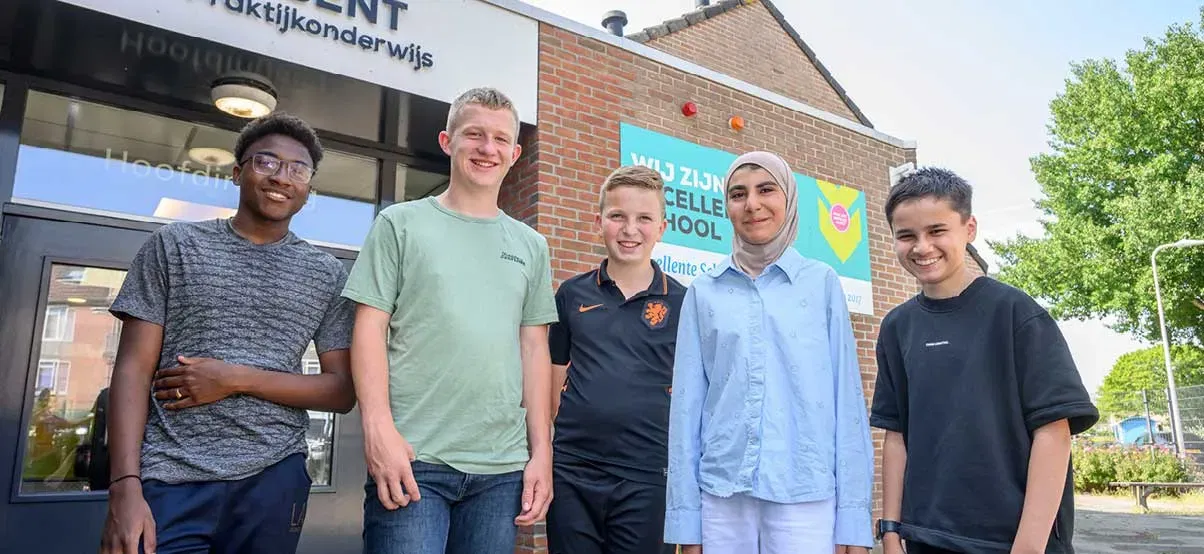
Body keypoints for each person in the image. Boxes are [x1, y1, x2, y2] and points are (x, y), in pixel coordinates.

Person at [99, 112, 357, 554]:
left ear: (308, 188)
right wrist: (124, 484)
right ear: (238, 172)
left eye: (298, 169)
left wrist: (234, 378)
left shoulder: (327, 274)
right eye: (267, 162)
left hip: (274, 474)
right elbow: (132, 371)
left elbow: (341, 391)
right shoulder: (175, 245)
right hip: (170, 474)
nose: (282, 177)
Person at [341, 87, 557, 554]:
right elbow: (369, 328)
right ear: (447, 141)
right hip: (413, 458)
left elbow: (534, 349)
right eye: (474, 134)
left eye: (500, 139)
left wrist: (542, 451)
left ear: (515, 154)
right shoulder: (399, 224)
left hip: (501, 468)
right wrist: (377, 428)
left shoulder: (531, 245)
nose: (487, 148)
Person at [870, 167, 1100, 554]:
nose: (922, 247)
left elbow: (1053, 433)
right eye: (906, 235)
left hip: (1013, 540)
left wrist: (1029, 546)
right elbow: (896, 436)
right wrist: (891, 532)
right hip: (928, 538)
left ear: (969, 228)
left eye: (937, 231)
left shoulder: (1015, 314)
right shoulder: (897, 327)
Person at [664, 151, 875, 554]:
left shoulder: (822, 284)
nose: (752, 204)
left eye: (766, 190)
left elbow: (847, 403)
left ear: (788, 199)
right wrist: (685, 524)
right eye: (738, 194)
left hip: (806, 495)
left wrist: (853, 522)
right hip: (721, 498)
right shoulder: (703, 292)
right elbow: (686, 410)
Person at [545, 165, 687, 554]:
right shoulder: (571, 294)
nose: (630, 229)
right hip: (573, 471)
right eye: (617, 216)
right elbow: (552, 380)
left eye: (644, 218)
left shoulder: (684, 302)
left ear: (662, 228)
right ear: (599, 222)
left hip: (648, 476)